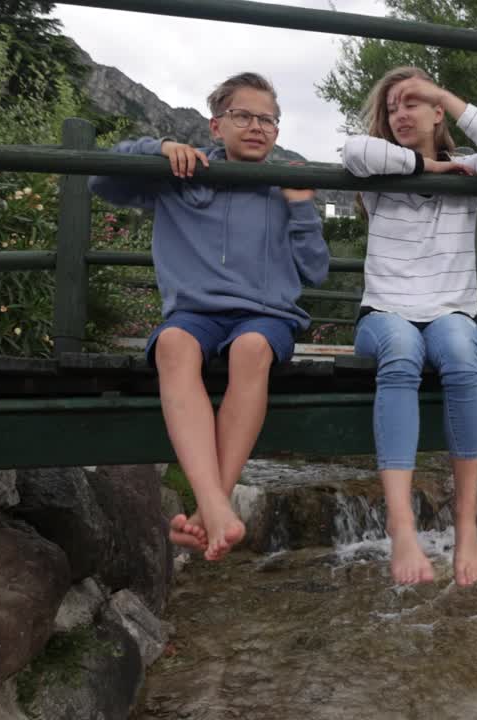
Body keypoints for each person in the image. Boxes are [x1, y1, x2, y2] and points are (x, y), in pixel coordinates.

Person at [89, 72, 329, 560]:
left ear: (277, 131)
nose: (257, 127)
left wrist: (303, 207)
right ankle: (217, 505)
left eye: (268, 119)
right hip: (195, 314)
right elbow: (102, 179)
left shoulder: (287, 183)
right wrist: (157, 148)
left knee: (251, 348)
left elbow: (317, 271)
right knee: (173, 346)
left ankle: (210, 502)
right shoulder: (183, 172)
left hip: (265, 317)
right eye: (244, 116)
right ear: (217, 126)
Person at [341, 67, 477, 586]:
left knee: (464, 359)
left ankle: (466, 523)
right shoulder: (379, 172)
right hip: (385, 313)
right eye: (393, 105)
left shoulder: (472, 170)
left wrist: (446, 94)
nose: (401, 113)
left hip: (450, 313)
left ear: (438, 111)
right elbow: (354, 151)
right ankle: (402, 526)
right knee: (400, 348)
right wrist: (431, 168)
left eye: (415, 102)